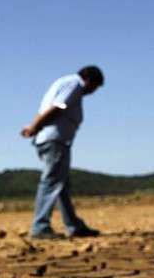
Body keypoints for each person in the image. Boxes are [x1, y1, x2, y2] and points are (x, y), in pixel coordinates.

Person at [20, 65, 104, 239]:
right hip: (55, 140)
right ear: (89, 80)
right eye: (94, 87)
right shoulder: (75, 84)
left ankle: (74, 226)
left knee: (61, 185)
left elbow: (48, 108)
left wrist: (35, 126)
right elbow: (58, 106)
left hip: (51, 139)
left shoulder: (64, 83)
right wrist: (35, 126)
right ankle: (40, 227)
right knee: (51, 182)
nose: (92, 92)